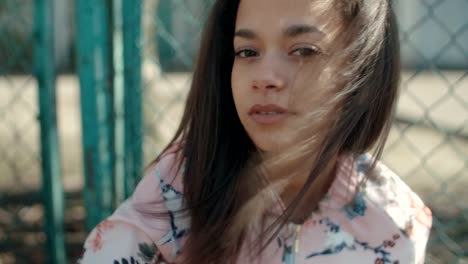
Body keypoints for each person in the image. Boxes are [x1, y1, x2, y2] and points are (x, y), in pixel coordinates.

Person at [78, 0, 433, 263]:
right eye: (247, 51)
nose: (264, 77)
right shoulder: (177, 191)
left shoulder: (394, 221)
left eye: (303, 50)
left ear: (362, 70)